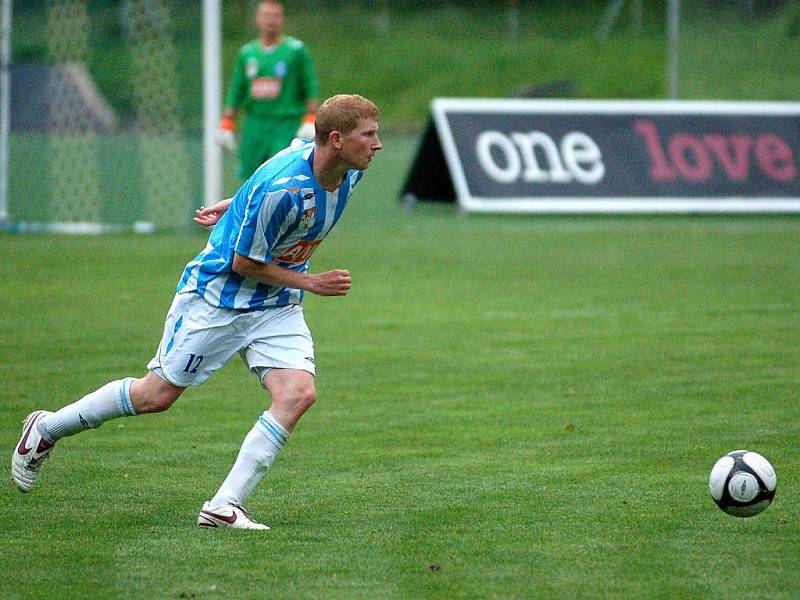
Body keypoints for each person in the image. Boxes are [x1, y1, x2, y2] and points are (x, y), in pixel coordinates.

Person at [12, 94, 382, 530]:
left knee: (297, 394)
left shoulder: (341, 169)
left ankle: (225, 505)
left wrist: (234, 203)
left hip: (274, 306)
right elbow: (243, 263)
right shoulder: (282, 191)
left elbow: (272, 173)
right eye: (369, 135)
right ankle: (47, 429)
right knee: (155, 396)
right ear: (337, 140)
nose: (377, 145)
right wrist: (313, 282)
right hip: (218, 298)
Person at [219, 0, 320, 182]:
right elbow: (237, 90)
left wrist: (311, 117)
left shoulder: (296, 50)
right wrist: (227, 122)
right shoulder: (247, 53)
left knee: (282, 177)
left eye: (275, 15)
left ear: (283, 20)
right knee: (250, 180)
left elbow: (310, 85)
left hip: (285, 124)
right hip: (254, 125)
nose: (271, 20)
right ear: (257, 19)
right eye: (266, 15)